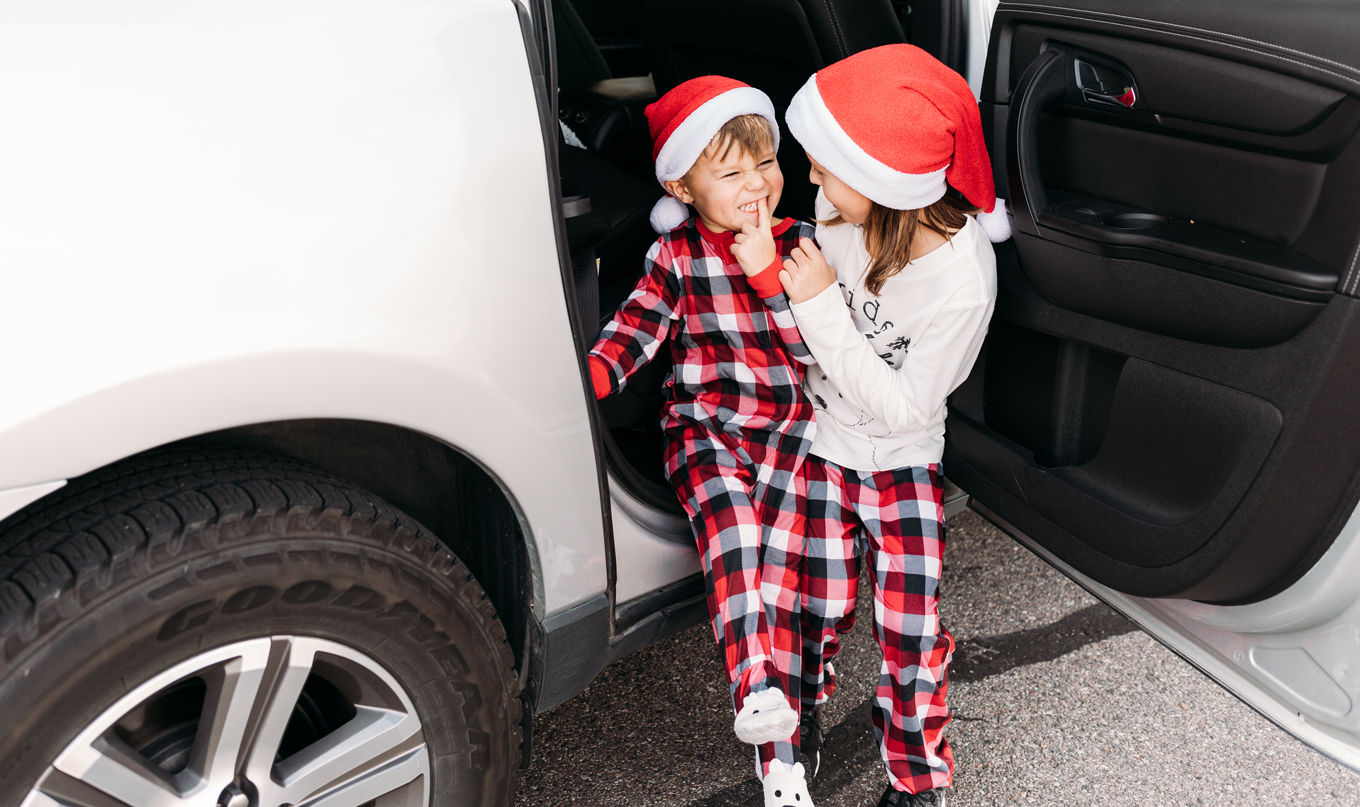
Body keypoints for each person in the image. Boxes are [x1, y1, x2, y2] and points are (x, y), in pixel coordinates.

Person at [778, 44, 1009, 807]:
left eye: (825, 168)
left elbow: (906, 406)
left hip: (902, 457)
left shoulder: (962, 283)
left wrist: (819, 307)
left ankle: (917, 777)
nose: (813, 181)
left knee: (910, 630)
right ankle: (797, 712)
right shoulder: (838, 218)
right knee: (815, 601)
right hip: (823, 441)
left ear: (883, 183)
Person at [587, 75, 821, 803]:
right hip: (705, 429)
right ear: (682, 189)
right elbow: (637, 326)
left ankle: (781, 759)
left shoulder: (802, 244)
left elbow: (817, 349)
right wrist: (591, 376)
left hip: (789, 433)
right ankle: (762, 708)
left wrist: (770, 278)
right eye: (730, 173)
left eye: (766, 163)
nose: (756, 184)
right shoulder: (677, 256)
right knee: (737, 540)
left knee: (780, 575)